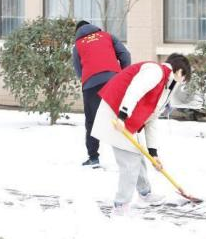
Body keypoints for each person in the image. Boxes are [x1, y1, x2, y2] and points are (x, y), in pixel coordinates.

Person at [91, 53, 191, 215]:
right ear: (180, 71)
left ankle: (145, 193)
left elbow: (152, 119)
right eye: (184, 78)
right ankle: (120, 206)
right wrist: (122, 115)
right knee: (130, 162)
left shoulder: (165, 87)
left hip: (124, 119)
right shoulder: (155, 71)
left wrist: (153, 153)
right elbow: (134, 90)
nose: (182, 82)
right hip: (115, 114)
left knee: (137, 155)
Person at [72, 20, 131, 168]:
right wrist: (123, 75)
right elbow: (125, 54)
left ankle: (93, 158)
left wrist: (87, 79)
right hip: (114, 81)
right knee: (120, 117)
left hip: (91, 85)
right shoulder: (108, 36)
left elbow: (79, 70)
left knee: (92, 122)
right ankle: (129, 156)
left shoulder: (77, 45)